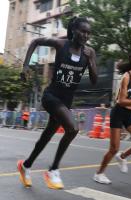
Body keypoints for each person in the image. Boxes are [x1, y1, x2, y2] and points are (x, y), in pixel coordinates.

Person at [17, 17, 97, 189]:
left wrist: (90, 62)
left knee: (47, 136)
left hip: (66, 101)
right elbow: (35, 41)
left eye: (88, 33)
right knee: (73, 128)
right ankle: (53, 170)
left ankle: (26, 166)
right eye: (82, 31)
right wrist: (26, 66)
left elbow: (94, 81)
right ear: (74, 30)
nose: (85, 35)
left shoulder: (89, 52)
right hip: (51, 96)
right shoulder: (61, 45)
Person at [93, 51, 131, 184]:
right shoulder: (126, 77)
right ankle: (99, 174)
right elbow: (121, 101)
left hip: (130, 115)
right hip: (119, 113)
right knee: (113, 148)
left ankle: (122, 156)